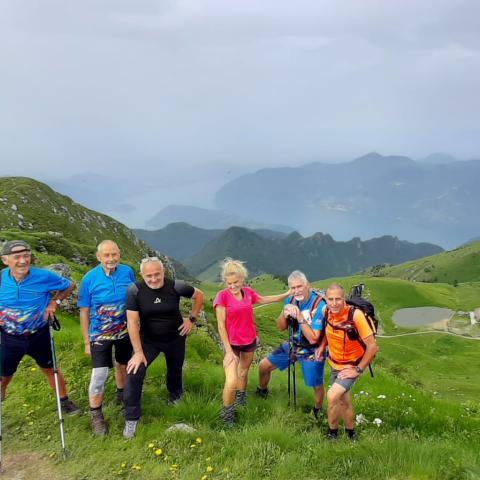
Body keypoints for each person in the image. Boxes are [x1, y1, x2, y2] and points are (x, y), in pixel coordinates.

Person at [122, 257, 204, 438]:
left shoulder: (176, 286)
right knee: (134, 372)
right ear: (142, 275)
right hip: (149, 340)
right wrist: (137, 352)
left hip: (175, 337)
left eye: (157, 274)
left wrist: (191, 319)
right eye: (148, 275)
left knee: (175, 370)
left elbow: (199, 295)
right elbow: (132, 322)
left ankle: (175, 397)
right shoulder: (134, 291)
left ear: (163, 272)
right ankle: (131, 418)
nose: (153, 279)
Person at [0, 240, 80, 414]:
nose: (23, 261)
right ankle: (2, 392)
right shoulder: (1, 279)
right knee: (4, 374)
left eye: (26, 256)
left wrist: (54, 302)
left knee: (50, 369)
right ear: (5, 260)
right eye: (17, 257)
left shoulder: (43, 276)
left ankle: (64, 402)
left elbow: (70, 285)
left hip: (39, 334)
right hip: (9, 337)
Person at [213, 258, 289, 426]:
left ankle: (241, 399)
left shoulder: (247, 292)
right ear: (225, 281)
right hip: (231, 344)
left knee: (243, 373)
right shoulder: (222, 296)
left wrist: (286, 294)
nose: (232, 286)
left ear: (242, 279)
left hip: (248, 340)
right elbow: (220, 325)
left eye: (236, 282)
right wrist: (228, 351)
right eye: (229, 283)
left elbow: (262, 299)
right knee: (231, 379)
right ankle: (227, 416)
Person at [78, 240, 135, 435]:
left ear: (119, 254)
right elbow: (84, 311)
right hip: (99, 335)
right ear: (98, 257)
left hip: (124, 332)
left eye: (114, 254)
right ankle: (96, 415)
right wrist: (87, 341)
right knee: (99, 374)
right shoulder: (89, 278)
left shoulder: (127, 271)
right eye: (107, 255)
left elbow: (133, 299)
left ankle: (122, 396)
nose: (111, 259)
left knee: (123, 365)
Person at [257, 270, 326, 417]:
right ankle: (262, 392)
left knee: (315, 383)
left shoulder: (319, 305)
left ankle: (317, 411)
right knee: (263, 366)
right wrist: (284, 312)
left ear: (308, 285)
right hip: (293, 343)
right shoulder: (290, 300)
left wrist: (300, 316)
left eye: (299, 286)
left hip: (313, 349)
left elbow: (314, 339)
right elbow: (281, 327)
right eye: (293, 288)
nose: (296, 291)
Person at [316, 284, 378, 441]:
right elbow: (327, 330)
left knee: (332, 396)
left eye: (338, 299)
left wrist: (357, 370)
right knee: (344, 401)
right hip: (334, 363)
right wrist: (322, 346)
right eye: (331, 299)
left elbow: (372, 347)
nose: (334, 303)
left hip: (351, 366)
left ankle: (332, 433)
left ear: (344, 299)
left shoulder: (355, 315)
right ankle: (351, 434)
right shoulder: (326, 312)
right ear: (326, 299)